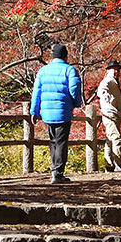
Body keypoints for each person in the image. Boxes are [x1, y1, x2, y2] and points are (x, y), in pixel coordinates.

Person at [30, 43, 83, 184]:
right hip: (63, 110)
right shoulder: (70, 70)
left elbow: (36, 93)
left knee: (53, 141)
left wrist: (34, 111)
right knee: (61, 142)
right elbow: (75, 88)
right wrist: (76, 103)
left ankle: (55, 170)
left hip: (47, 112)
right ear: (66, 56)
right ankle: (58, 173)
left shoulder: (43, 71)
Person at [97, 60, 121, 172]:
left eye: (117, 69)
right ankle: (119, 164)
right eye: (113, 69)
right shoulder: (107, 81)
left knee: (110, 139)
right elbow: (101, 91)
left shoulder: (114, 81)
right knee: (116, 137)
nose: (116, 71)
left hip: (114, 113)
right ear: (108, 70)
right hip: (109, 113)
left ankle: (109, 165)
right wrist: (110, 100)